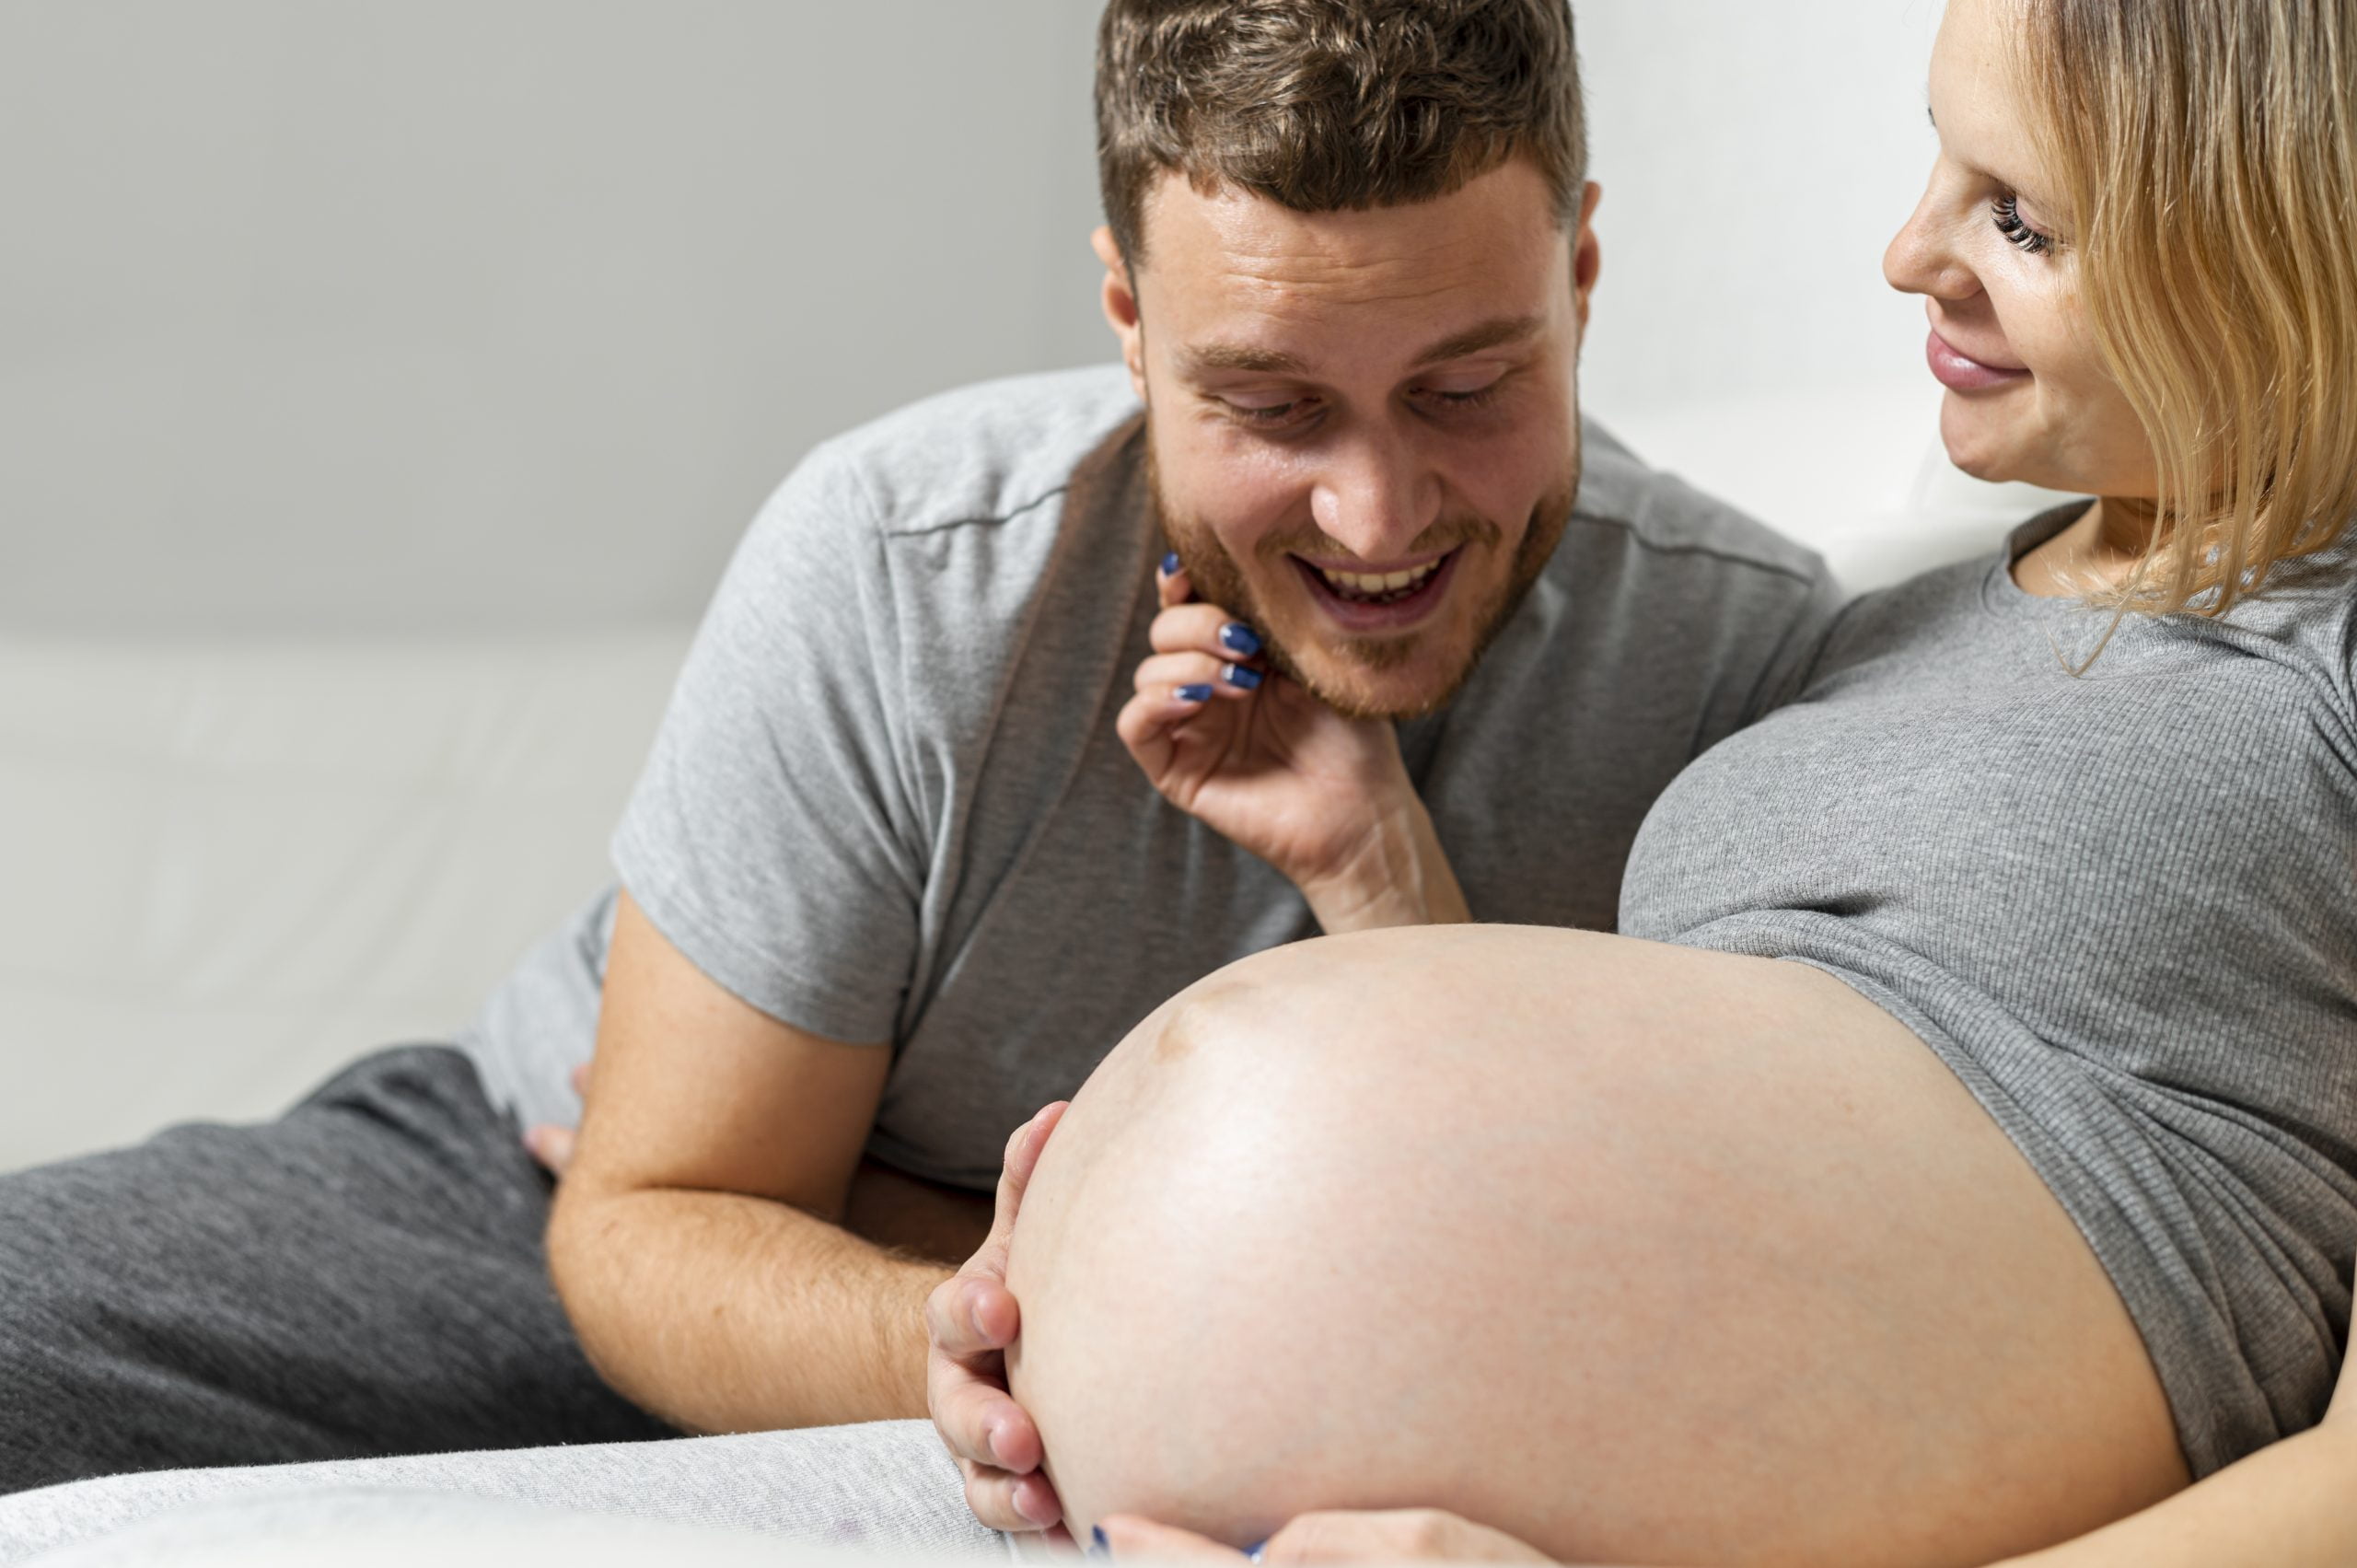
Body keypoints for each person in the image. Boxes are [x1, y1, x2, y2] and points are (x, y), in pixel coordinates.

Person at [0, 0, 1838, 1495]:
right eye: (1268, 404)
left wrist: (1375, 875)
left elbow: (1566, 1300)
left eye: (1463, 388)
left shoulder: (1733, 663)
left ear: (1581, 275)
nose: (1372, 517)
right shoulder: (907, 569)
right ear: (1127, 321)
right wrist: (983, 1317)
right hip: (537, 1190)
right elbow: (659, 1213)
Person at [931, 0, 2357, 1562]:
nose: (1907, 255)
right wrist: (1364, 861)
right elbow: (1664, 1205)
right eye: (1937, 163)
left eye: (2019, 220)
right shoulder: (1894, 627)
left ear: (2275, 240)